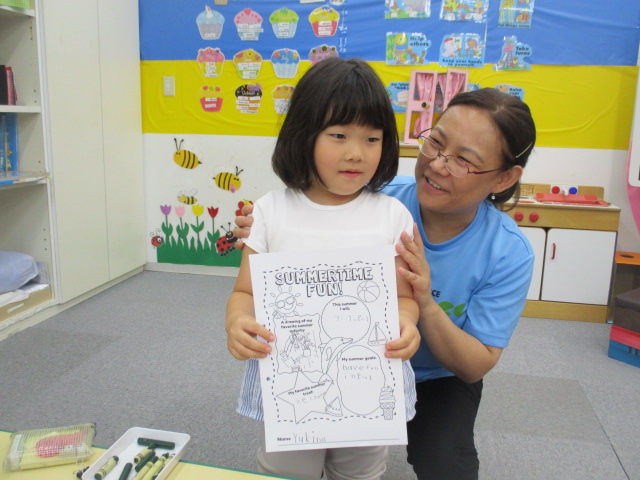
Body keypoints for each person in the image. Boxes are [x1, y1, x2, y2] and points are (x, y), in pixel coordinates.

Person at [234, 86, 537, 480]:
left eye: (464, 160)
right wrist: (262, 230)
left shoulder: (507, 251)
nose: (438, 165)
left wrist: (422, 304)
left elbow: (475, 365)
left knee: (443, 465)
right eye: (436, 142)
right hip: (330, 361)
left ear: (504, 177)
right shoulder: (366, 195)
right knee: (292, 460)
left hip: (436, 374)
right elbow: (302, 220)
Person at [225, 57, 421, 480]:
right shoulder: (269, 211)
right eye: (339, 135)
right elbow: (245, 292)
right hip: (291, 379)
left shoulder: (393, 216)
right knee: (286, 471)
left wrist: (407, 324)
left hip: (367, 374)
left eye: (372, 138)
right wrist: (237, 323)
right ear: (304, 134)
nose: (356, 153)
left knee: (361, 471)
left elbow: (403, 299)